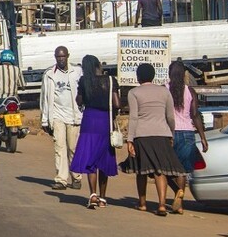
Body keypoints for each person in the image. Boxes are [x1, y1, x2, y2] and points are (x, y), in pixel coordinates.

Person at [126, 63, 185, 216]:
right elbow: (170, 117)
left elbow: (133, 117)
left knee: (141, 171)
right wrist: (170, 133)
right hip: (162, 134)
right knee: (160, 171)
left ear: (138, 77)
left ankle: (143, 203)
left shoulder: (134, 92)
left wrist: (130, 139)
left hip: (142, 135)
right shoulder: (164, 91)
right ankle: (162, 205)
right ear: (153, 76)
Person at [70, 54, 119, 209]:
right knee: (104, 159)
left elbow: (79, 101)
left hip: (89, 121)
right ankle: (103, 198)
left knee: (91, 158)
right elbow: (117, 103)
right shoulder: (110, 80)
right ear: (99, 64)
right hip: (105, 122)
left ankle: (92, 194)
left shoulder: (85, 81)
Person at [166, 61, 209, 214]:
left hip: (169, 133)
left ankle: (177, 191)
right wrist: (203, 137)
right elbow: (195, 115)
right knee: (182, 170)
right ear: (184, 74)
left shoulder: (165, 89)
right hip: (188, 134)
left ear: (169, 73)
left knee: (164, 169)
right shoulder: (190, 91)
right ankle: (181, 204)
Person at [40, 46, 83, 191]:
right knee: (59, 148)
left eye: (63, 56)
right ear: (55, 58)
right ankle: (61, 179)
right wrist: (45, 120)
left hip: (74, 116)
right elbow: (45, 98)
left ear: (68, 56)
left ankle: (76, 177)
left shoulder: (77, 72)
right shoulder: (49, 74)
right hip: (57, 116)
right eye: (58, 57)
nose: (61, 59)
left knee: (73, 148)